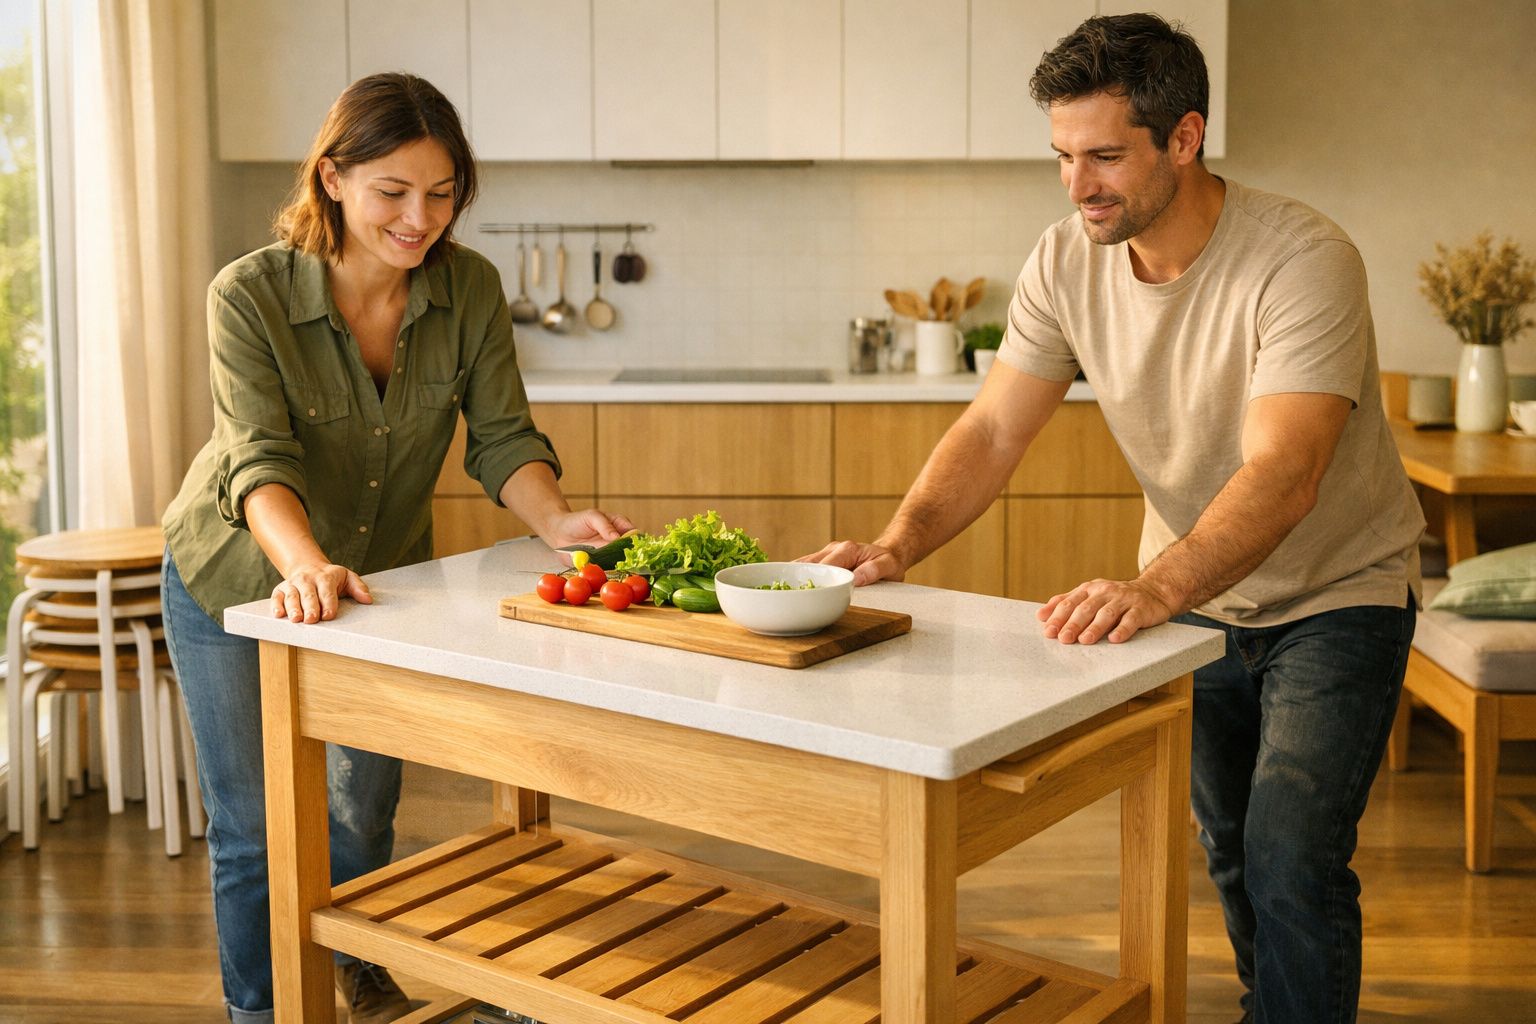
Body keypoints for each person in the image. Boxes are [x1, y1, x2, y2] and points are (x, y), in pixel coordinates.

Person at [802, 14, 1422, 1024]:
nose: (1077, 183)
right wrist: (896, 541)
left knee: (1290, 849)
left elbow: (1286, 471)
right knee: (1229, 840)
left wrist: (1154, 588)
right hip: (1194, 597)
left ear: (1186, 137)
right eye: (1060, 156)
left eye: (1102, 156)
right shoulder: (1064, 262)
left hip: (1337, 590)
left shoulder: (1304, 259)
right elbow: (996, 429)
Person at [161, 73, 632, 1024]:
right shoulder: (247, 296)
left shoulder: (470, 290)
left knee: (361, 806)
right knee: (255, 829)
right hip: (238, 581)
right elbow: (256, 459)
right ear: (332, 178)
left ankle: (355, 966)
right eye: (394, 192)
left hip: (379, 588)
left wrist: (558, 522)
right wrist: (303, 564)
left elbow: (502, 438)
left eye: (444, 191)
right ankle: (264, 1009)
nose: (421, 218)